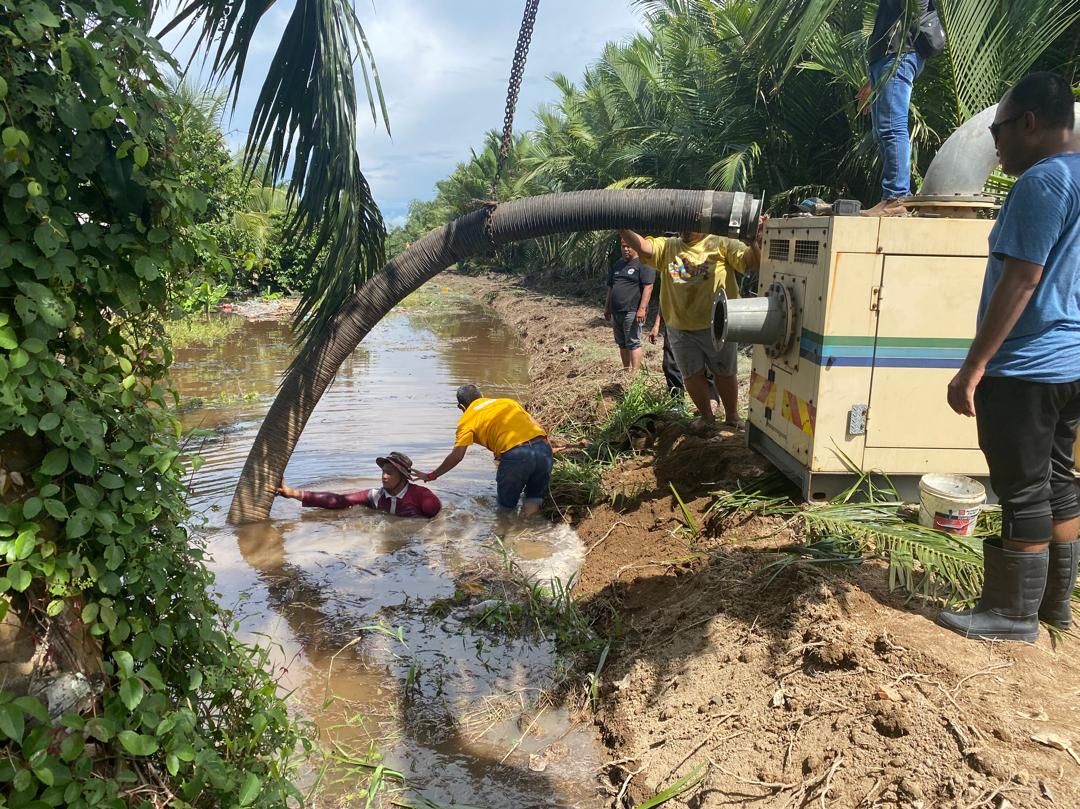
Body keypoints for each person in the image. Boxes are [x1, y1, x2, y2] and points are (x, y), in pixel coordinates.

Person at [939, 72, 1080, 642]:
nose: (994, 144)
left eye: (998, 131)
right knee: (1059, 480)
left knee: (1022, 489)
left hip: (1027, 366)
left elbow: (1022, 280)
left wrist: (972, 368)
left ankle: (1011, 615)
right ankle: (1053, 607)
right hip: (1070, 363)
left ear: (1030, 123)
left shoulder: (1043, 182)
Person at [620, 224, 764, 426]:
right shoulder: (668, 246)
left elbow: (751, 263)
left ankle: (732, 417)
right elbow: (644, 247)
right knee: (691, 375)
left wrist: (754, 242)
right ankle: (706, 417)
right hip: (681, 328)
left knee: (724, 372)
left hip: (717, 326)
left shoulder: (721, 243)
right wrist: (622, 228)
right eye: (682, 224)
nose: (685, 229)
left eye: (691, 225)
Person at [418, 384, 552, 517]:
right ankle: (528, 525)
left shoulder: (467, 420)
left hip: (516, 456)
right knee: (533, 498)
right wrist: (546, 450)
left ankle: (508, 529)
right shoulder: (508, 402)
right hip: (543, 449)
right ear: (482, 396)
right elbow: (538, 427)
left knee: (505, 508)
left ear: (461, 407)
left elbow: (457, 456)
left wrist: (432, 475)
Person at [857, 0, 932, 216]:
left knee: (892, 127)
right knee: (882, 131)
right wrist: (873, 79)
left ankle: (897, 197)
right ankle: (891, 197)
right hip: (885, 58)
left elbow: (916, 9)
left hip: (899, 54)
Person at [276, 451, 441, 518]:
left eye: (390, 473)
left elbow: (440, 520)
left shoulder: (422, 497)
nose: (384, 476)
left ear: (403, 477)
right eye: (383, 471)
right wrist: (293, 493)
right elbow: (338, 501)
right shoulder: (375, 496)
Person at [604, 237, 656, 373]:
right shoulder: (617, 265)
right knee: (622, 343)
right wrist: (607, 307)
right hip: (617, 312)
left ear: (636, 246)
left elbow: (648, 287)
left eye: (629, 246)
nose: (626, 249)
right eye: (623, 246)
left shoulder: (644, 263)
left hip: (632, 311)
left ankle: (634, 373)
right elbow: (611, 287)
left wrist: (642, 309)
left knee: (633, 342)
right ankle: (626, 370)